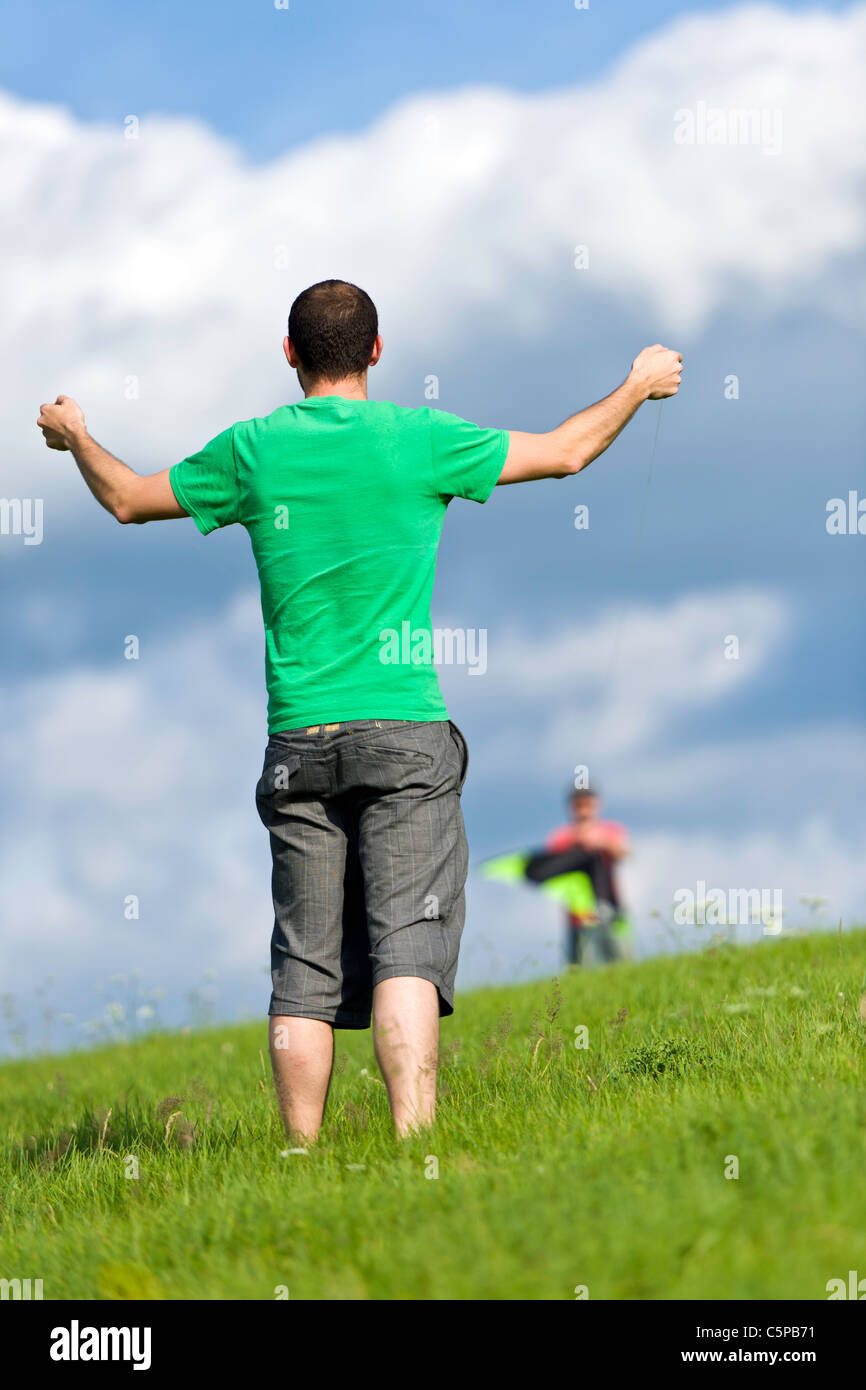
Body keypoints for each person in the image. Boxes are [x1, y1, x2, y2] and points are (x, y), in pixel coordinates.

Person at [37, 279, 682, 1139]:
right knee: (406, 950)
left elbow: (126, 499)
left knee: (303, 966)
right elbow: (567, 451)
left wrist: (77, 434)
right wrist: (638, 383)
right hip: (404, 734)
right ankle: (414, 1145)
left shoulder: (254, 451)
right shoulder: (419, 439)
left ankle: (300, 1157)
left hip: (296, 742)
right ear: (377, 352)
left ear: (290, 353)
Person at [546, 786, 631, 965]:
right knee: (580, 963)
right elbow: (551, 866)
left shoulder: (610, 830)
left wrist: (601, 842)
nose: (584, 810)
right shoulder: (562, 837)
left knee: (621, 959)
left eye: (588, 804)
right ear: (571, 807)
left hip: (611, 904)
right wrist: (576, 844)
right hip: (577, 912)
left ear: (596, 805)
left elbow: (625, 852)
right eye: (579, 805)